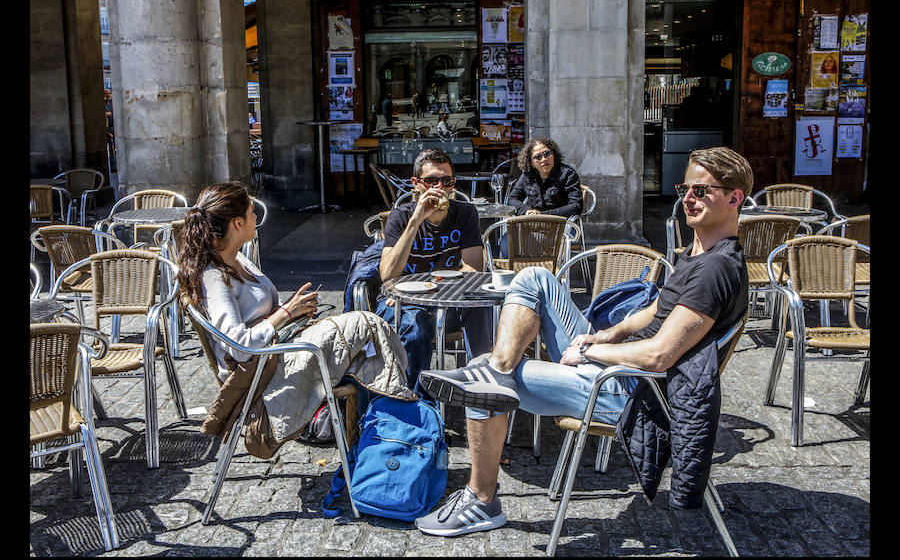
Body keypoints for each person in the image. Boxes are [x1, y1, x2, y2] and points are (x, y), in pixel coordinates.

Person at [414, 146, 752, 537]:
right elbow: (659, 306)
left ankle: (481, 500)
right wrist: (611, 331)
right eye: (685, 189)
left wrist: (593, 350)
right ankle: (498, 371)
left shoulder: (716, 269)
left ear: (734, 197)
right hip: (615, 364)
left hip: (629, 390)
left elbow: (659, 356)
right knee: (533, 279)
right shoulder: (700, 252)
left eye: (701, 191)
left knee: (478, 382)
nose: (689, 200)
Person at [177, 182, 412, 444]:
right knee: (366, 325)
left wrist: (294, 312)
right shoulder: (214, 277)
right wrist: (287, 312)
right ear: (238, 223)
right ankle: (398, 414)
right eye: (252, 212)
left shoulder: (237, 259)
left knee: (366, 341)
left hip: (282, 349)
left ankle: (381, 423)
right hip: (264, 371)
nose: (256, 217)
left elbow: (260, 317)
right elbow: (239, 347)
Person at [376, 148, 493, 391]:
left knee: (481, 306)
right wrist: (416, 220)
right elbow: (388, 276)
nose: (439, 187)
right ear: (416, 184)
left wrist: (434, 289)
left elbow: (473, 269)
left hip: (446, 301)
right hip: (401, 303)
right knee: (417, 328)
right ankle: (416, 400)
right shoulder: (400, 217)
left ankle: (481, 385)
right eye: (431, 181)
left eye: (446, 181)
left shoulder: (465, 212)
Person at [500, 137, 583, 257]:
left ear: (553, 154)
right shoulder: (527, 175)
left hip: (562, 225)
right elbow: (512, 199)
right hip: (533, 224)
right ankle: (520, 274)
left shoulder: (567, 174)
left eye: (547, 154)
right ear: (531, 162)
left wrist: (545, 215)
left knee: (529, 244)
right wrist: (527, 211)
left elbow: (576, 206)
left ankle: (541, 273)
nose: (544, 159)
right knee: (506, 242)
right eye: (538, 157)